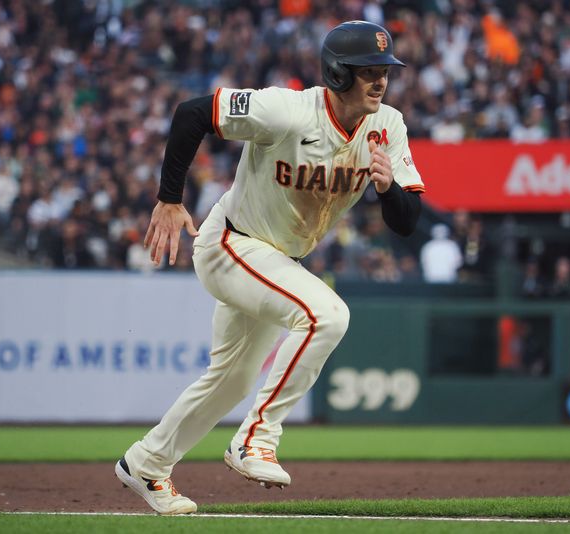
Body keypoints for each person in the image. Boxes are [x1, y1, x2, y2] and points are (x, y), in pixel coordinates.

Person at [115, 21, 424, 515]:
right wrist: (169, 199)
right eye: (369, 71)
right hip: (232, 243)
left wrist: (388, 189)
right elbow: (192, 113)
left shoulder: (388, 125)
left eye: (385, 70)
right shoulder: (287, 109)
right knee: (327, 315)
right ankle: (255, 438)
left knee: (233, 379)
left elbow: (406, 222)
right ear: (338, 73)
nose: (381, 80)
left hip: (277, 259)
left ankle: (146, 463)